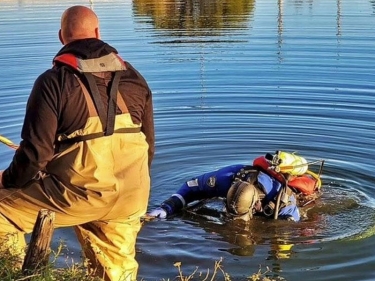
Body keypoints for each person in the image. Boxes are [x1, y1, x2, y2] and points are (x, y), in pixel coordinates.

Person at [0, 5, 154, 281]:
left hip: (79, 194)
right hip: (133, 194)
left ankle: (15, 273)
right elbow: (149, 147)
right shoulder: (135, 79)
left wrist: (8, 181)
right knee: (115, 272)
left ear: (61, 37)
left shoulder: (52, 82)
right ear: (97, 32)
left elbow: (35, 156)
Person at [148, 151, 323, 222]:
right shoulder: (226, 177)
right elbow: (191, 186)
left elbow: (289, 230)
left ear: (256, 203)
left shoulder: (285, 202)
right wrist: (168, 206)